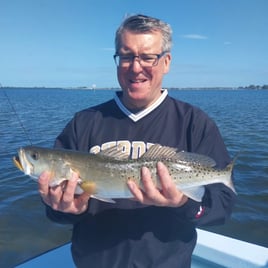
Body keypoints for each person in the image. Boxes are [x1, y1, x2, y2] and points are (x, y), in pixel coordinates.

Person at [38, 14, 236, 268]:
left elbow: (221, 208)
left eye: (147, 57)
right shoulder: (83, 122)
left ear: (166, 62)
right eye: (127, 56)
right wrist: (64, 209)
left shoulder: (195, 122)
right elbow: (57, 213)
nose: (135, 67)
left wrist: (184, 204)